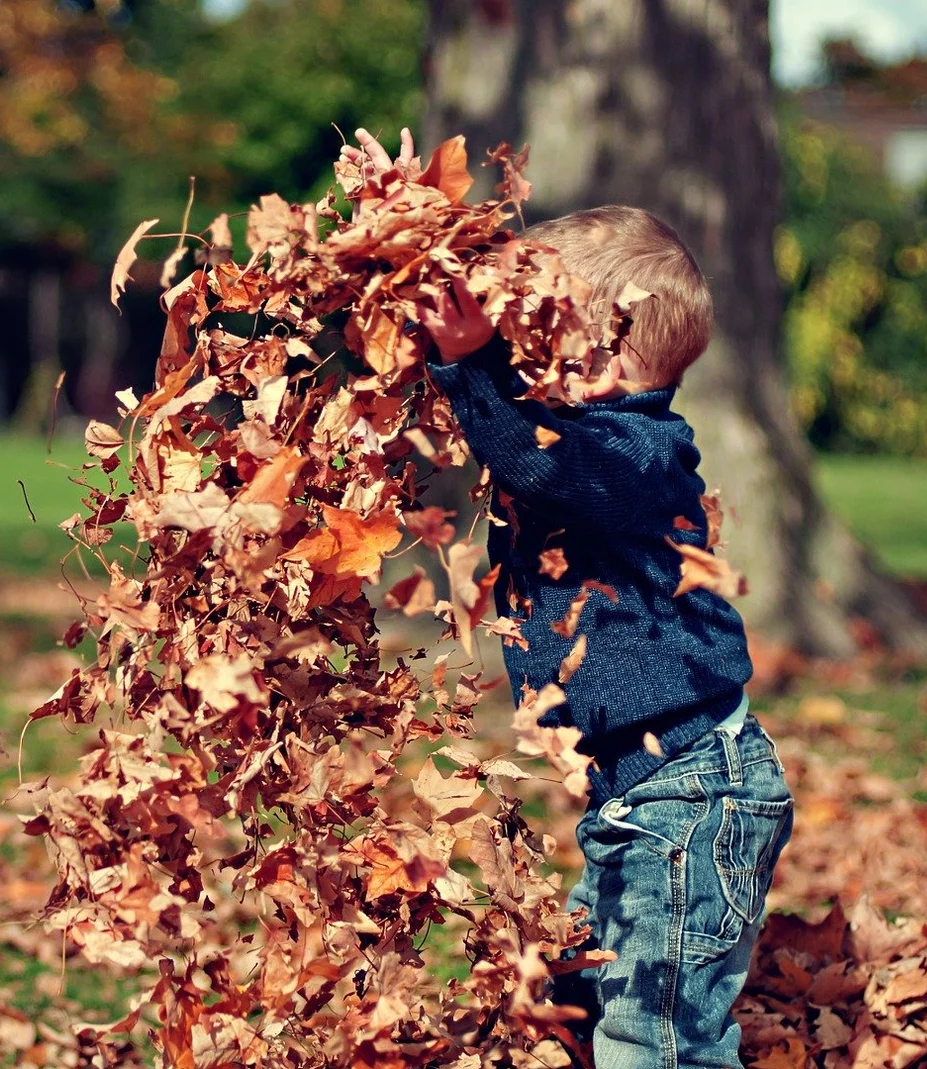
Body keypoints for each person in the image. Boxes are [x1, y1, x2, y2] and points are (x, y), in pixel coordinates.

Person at [354, 128, 796, 1066]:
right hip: (636, 798)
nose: (514, 357)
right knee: (579, 999)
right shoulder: (591, 444)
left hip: (691, 799)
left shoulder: (638, 454)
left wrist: (470, 366)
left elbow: (537, 461)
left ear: (601, 358)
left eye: (531, 336)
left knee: (657, 1038)